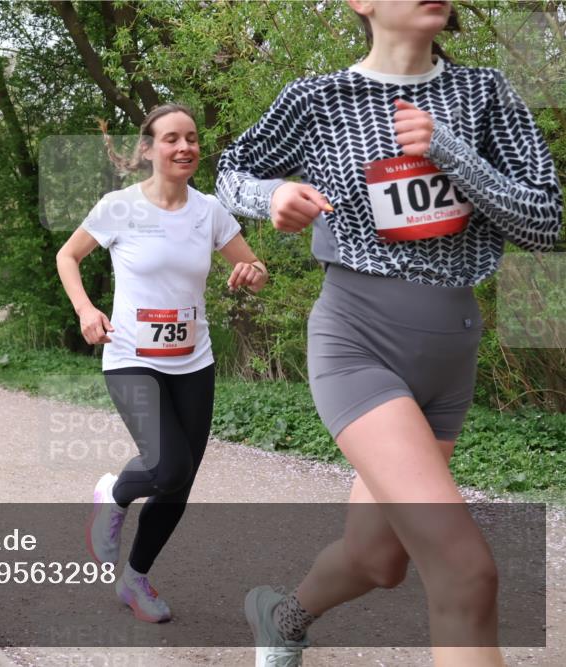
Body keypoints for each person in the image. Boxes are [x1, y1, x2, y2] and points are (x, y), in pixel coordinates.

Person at [215, 1, 562, 665]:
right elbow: (232, 171)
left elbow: (544, 220)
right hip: (358, 341)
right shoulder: (320, 97)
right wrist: (272, 197)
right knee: (465, 571)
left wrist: (447, 149)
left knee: (379, 559)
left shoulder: (484, 93)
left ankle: (283, 617)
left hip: (450, 351)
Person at [57, 103, 269, 623]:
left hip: (193, 361)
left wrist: (253, 272)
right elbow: (68, 256)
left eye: (192, 138)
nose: (185, 148)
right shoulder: (119, 207)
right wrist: (86, 310)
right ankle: (114, 492)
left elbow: (252, 265)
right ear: (148, 149)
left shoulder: (209, 211)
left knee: (180, 482)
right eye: (171, 138)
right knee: (167, 466)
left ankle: (135, 580)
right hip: (131, 356)